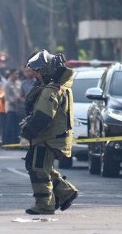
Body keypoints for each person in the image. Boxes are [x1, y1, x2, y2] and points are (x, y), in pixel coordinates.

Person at [20, 50, 78, 215]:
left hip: (48, 137)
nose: (36, 74)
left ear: (46, 69)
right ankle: (66, 192)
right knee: (41, 167)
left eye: (38, 70)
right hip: (52, 136)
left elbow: (43, 117)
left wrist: (27, 133)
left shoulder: (51, 90)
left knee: (38, 169)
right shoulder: (57, 86)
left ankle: (44, 205)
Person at [3, 69, 23, 145]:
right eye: (15, 74)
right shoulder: (7, 84)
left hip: (19, 108)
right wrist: (16, 101)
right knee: (9, 126)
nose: (17, 75)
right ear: (11, 74)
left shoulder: (18, 83)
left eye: (17, 74)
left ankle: (15, 142)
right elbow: (7, 97)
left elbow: (21, 94)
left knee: (17, 126)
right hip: (11, 108)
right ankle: (7, 142)